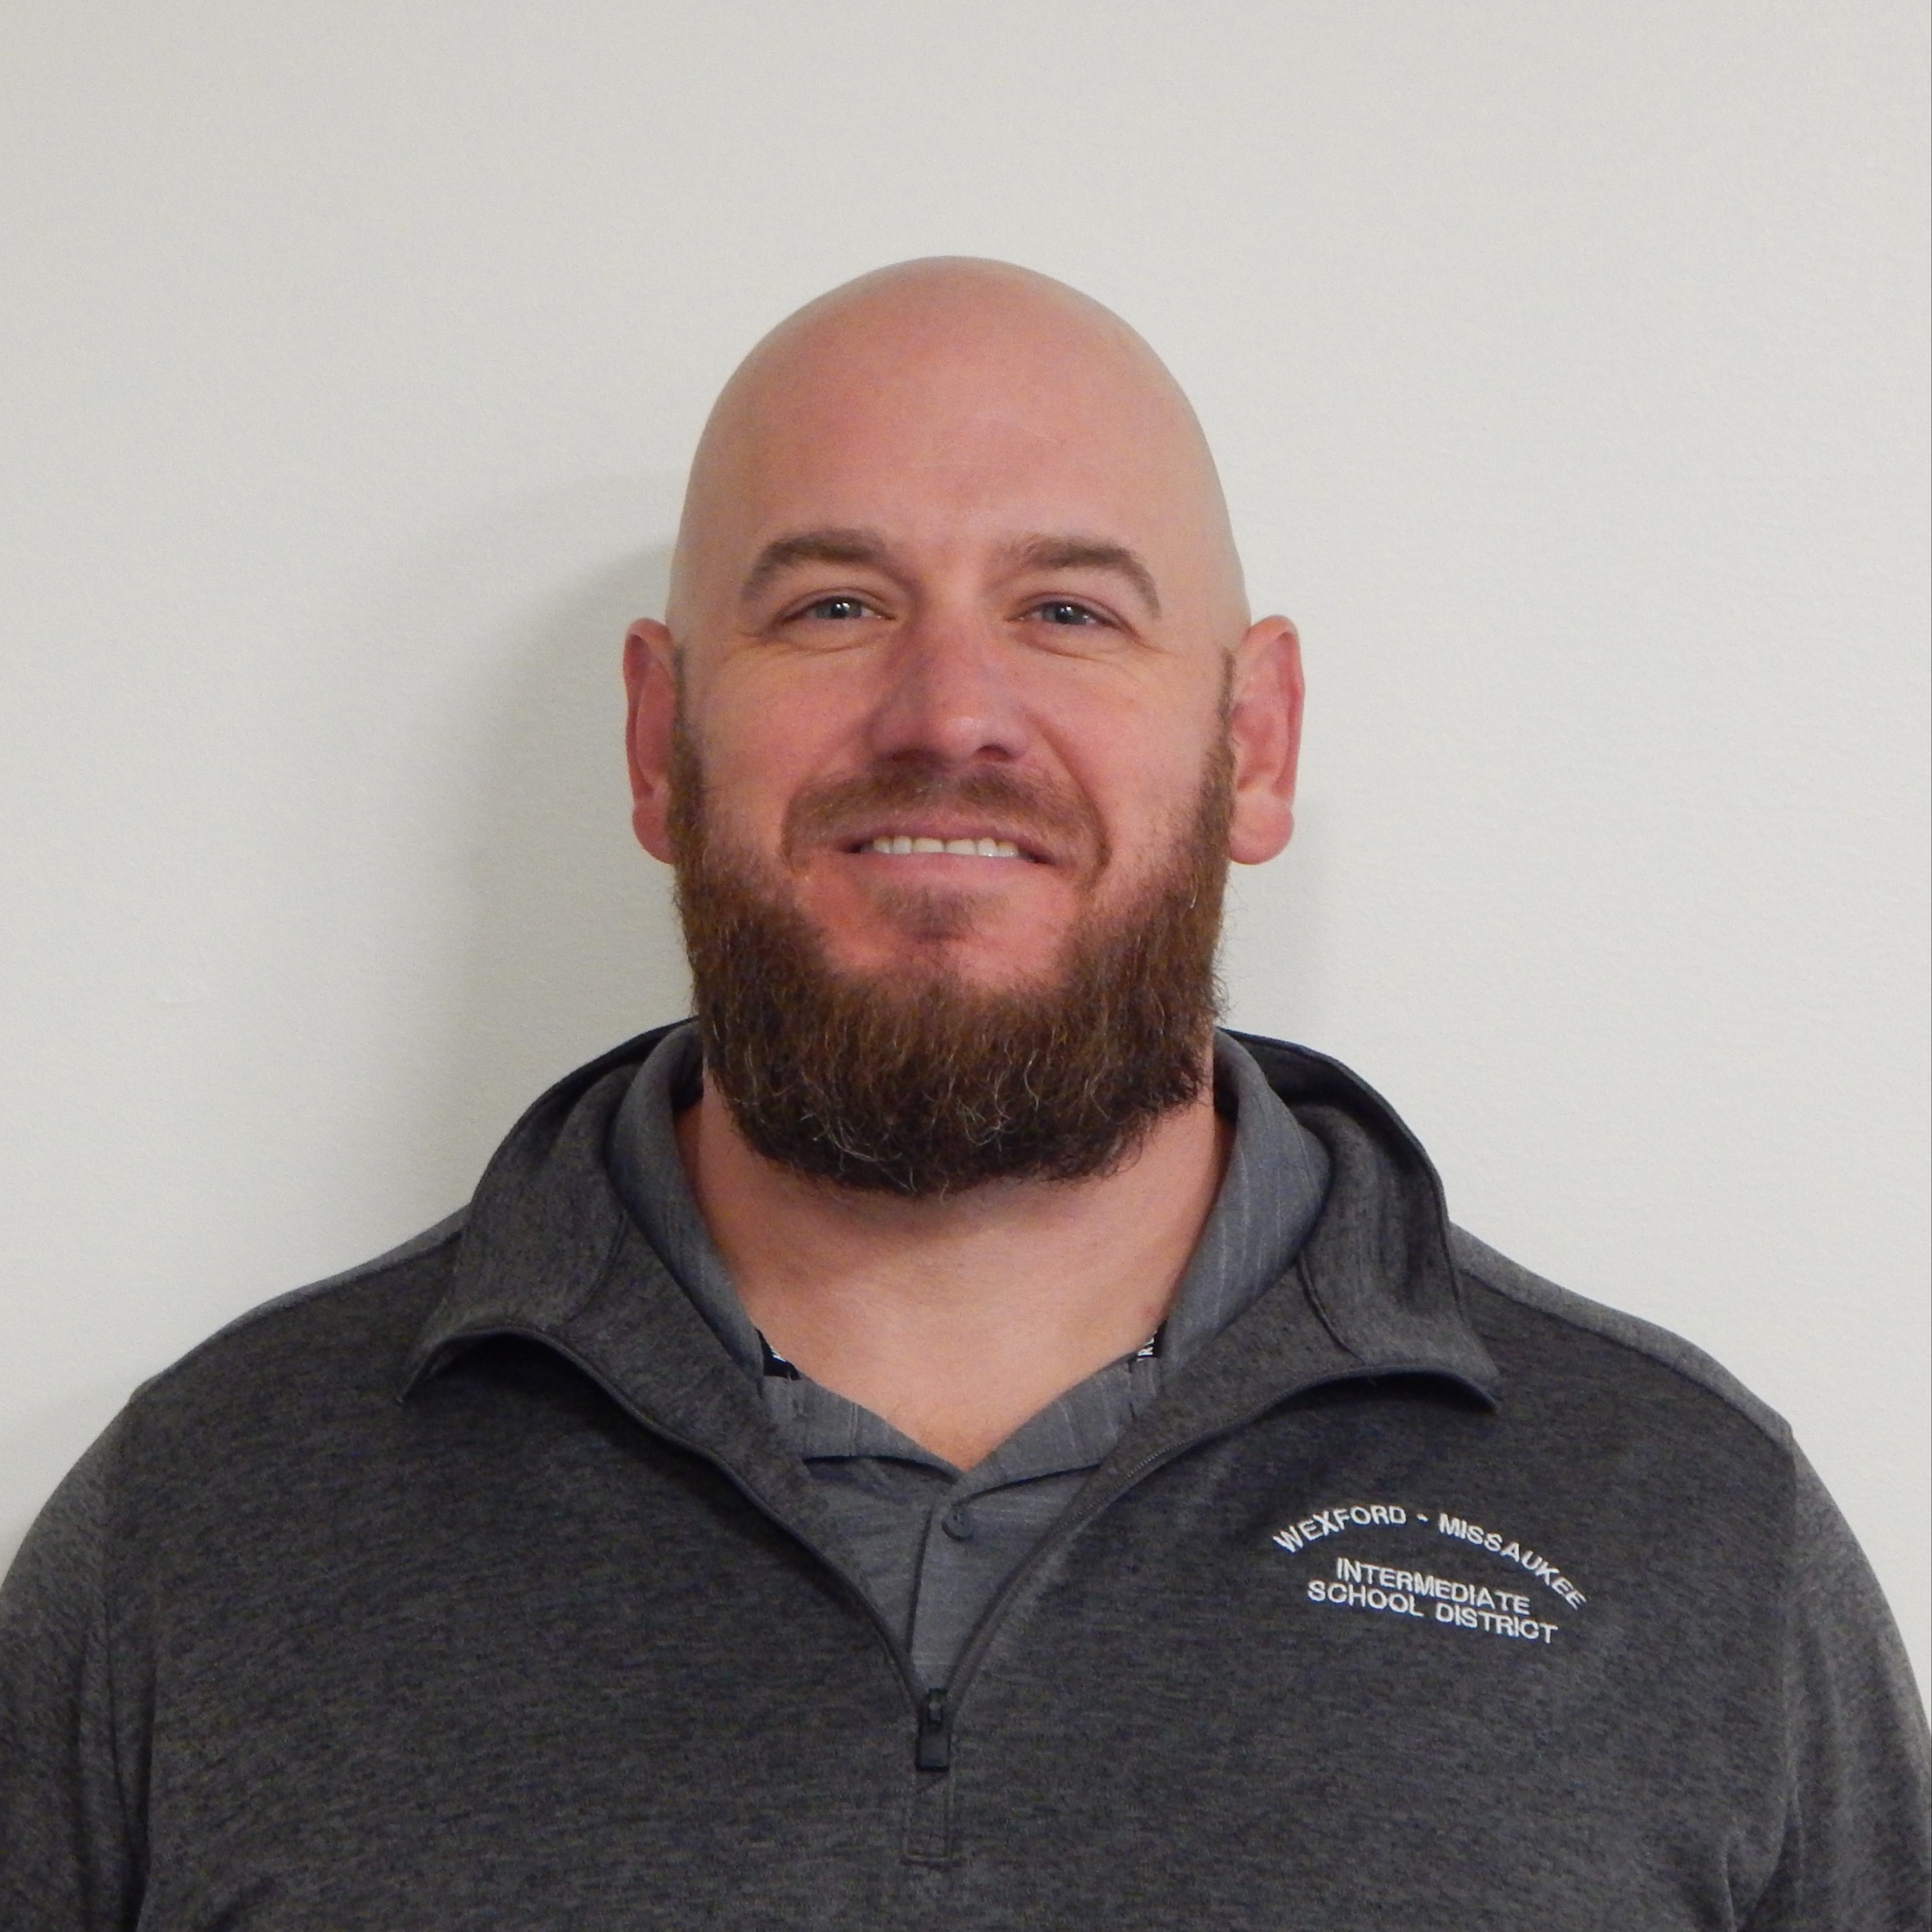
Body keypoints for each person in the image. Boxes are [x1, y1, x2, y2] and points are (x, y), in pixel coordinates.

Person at [1, 258, 1925, 1930]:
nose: (946, 713)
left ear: (1254, 744)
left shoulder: (1687, 1530)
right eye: (833, 606)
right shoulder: (207, 1530)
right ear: (660, 740)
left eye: (1070, 611)